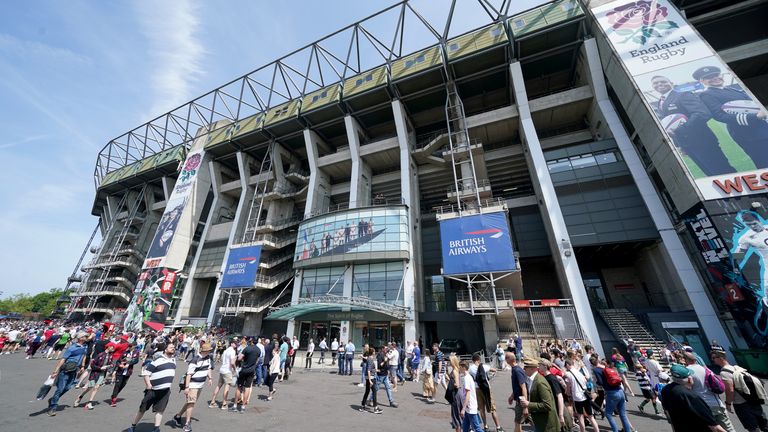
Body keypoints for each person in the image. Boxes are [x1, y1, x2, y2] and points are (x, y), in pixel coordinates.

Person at [650, 74, 734, 176]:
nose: (659, 84)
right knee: (711, 174)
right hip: (688, 144)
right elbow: (670, 124)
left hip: (702, 141)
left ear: (671, 83)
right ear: (652, 86)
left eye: (663, 81)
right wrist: (680, 145)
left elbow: (702, 114)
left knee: (722, 171)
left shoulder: (683, 95)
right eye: (656, 83)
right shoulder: (661, 102)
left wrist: (680, 130)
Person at [696, 65, 768, 169]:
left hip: (763, 126)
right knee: (764, 161)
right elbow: (719, 116)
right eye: (709, 77)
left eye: (716, 75)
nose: (715, 78)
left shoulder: (733, 90)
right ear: (702, 81)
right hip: (747, 133)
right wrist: (755, 117)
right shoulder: (706, 95)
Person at [711, 350, 768, 432]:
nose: (712, 360)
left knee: (753, 427)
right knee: (764, 424)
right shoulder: (736, 367)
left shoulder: (724, 372)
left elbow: (730, 390)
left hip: (741, 404)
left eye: (714, 358)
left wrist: (728, 403)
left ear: (720, 358)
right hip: (753, 399)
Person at [662, 363, 727, 432]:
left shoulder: (666, 390)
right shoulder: (690, 396)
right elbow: (715, 427)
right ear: (690, 379)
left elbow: (668, 414)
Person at [127, 342, 176, 432]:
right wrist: (148, 385)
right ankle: (133, 426)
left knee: (160, 410)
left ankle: (156, 428)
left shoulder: (173, 360)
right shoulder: (158, 360)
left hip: (165, 390)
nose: (173, 348)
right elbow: (146, 373)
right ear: (165, 349)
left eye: (174, 347)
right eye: (171, 347)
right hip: (153, 390)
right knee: (142, 409)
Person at [683, 351, 736, 432]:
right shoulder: (706, 369)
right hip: (716, 403)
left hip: (702, 406)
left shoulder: (686, 371)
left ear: (685, 360)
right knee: (727, 427)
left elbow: (687, 388)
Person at [46, 332, 89, 416]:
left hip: (74, 370)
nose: (87, 337)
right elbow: (63, 359)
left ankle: (53, 399)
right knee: (60, 389)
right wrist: (55, 371)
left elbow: (84, 356)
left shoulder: (84, 347)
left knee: (68, 387)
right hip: (65, 370)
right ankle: (52, 407)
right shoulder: (72, 348)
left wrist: (82, 366)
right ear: (80, 338)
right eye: (85, 336)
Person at [173, 343, 213, 432]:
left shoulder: (208, 358)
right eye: (209, 350)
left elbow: (209, 368)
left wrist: (210, 378)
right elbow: (189, 374)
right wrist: (187, 387)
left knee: (190, 402)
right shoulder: (195, 360)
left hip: (200, 385)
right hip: (193, 385)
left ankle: (178, 416)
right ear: (205, 351)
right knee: (191, 403)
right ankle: (187, 424)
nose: (210, 351)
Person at [518, 357, 559, 432]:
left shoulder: (540, 382)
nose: (524, 369)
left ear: (532, 369)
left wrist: (528, 404)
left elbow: (547, 405)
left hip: (546, 425)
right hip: (540, 422)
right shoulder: (532, 380)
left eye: (526, 367)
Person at [469, 353, 504, 432]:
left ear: (473, 360)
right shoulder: (483, 366)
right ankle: (498, 427)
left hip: (477, 389)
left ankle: (485, 426)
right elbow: (494, 370)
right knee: (492, 408)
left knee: (481, 409)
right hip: (486, 389)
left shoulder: (471, 368)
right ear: (478, 359)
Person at [74, 344, 115, 410]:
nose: (113, 349)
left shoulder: (110, 356)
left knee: (96, 387)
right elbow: (92, 365)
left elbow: (111, 364)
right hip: (95, 373)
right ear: (108, 347)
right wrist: (100, 368)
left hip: (102, 374)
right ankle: (80, 396)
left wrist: (109, 366)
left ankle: (89, 402)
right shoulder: (100, 355)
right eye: (112, 347)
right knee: (89, 388)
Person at [565, 359, 599, 432]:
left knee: (580, 416)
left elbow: (568, 388)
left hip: (577, 398)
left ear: (568, 365)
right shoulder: (579, 372)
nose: (565, 368)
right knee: (591, 417)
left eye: (565, 366)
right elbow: (586, 380)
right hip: (585, 396)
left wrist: (568, 394)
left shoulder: (568, 374)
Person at [539, 358, 573, 431]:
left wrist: (561, 415)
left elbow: (559, 396)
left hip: (559, 409)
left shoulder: (551, 378)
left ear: (545, 366)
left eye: (540, 365)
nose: (538, 366)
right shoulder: (545, 377)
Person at [603, 359, 634, 432]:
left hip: (613, 393)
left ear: (606, 364)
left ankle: (615, 430)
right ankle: (628, 430)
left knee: (608, 414)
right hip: (621, 391)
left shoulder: (605, 371)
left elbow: (601, 382)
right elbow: (623, 380)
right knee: (623, 414)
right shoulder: (615, 370)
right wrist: (630, 391)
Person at [231, 337, 260, 413]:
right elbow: (257, 360)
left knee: (239, 387)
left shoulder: (247, 348)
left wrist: (241, 358)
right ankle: (243, 407)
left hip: (244, 369)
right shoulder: (258, 350)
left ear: (251, 342)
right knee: (247, 388)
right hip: (252, 370)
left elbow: (240, 358)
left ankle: (235, 406)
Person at [504, 352, 529, 432]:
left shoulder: (517, 370)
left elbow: (524, 387)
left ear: (509, 360)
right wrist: (512, 396)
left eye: (506, 357)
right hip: (520, 401)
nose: (505, 359)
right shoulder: (514, 369)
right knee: (518, 422)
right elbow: (517, 387)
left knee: (518, 422)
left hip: (522, 401)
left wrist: (525, 405)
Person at [209, 338, 235, 411]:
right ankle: (224, 403)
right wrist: (235, 369)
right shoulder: (232, 351)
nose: (236, 344)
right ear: (231, 344)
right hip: (227, 370)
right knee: (227, 386)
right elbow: (232, 363)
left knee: (219, 385)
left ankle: (212, 401)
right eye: (235, 343)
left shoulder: (226, 350)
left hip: (222, 369)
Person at [459, 360, 484, 432]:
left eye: (460, 367)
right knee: (465, 426)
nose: (459, 368)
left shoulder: (467, 378)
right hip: (468, 406)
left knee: (477, 428)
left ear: (463, 367)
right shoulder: (468, 377)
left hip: (470, 406)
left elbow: (468, 394)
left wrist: (463, 408)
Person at [359, 348, 382, 414]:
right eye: (374, 351)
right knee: (374, 391)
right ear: (373, 352)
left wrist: (375, 370)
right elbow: (369, 370)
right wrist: (370, 380)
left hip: (369, 377)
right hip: (371, 377)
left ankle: (362, 406)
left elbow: (370, 368)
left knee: (367, 391)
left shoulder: (369, 358)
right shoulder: (370, 359)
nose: (375, 352)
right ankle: (376, 408)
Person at [447, 354, 463, 432]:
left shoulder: (455, 371)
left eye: (449, 361)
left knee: (456, 416)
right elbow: (449, 377)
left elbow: (457, 384)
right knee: (457, 415)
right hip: (457, 394)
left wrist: (452, 383)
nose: (448, 362)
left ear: (453, 361)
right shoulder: (456, 369)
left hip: (456, 394)